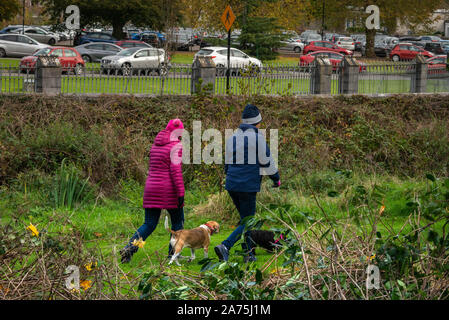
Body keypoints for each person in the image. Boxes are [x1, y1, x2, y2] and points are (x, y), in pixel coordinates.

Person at [214, 104, 280, 263]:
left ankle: (249, 253)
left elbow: (226, 166)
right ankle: (225, 245)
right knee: (248, 221)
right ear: (257, 122)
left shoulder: (232, 138)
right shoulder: (258, 138)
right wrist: (276, 179)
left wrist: (232, 177)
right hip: (247, 185)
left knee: (245, 220)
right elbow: (267, 162)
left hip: (231, 184)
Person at [120, 119, 185, 263]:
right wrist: (181, 193)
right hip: (168, 190)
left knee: (149, 224)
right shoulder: (176, 146)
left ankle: (129, 248)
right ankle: (173, 255)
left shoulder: (155, 145)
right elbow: (176, 172)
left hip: (151, 188)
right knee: (178, 223)